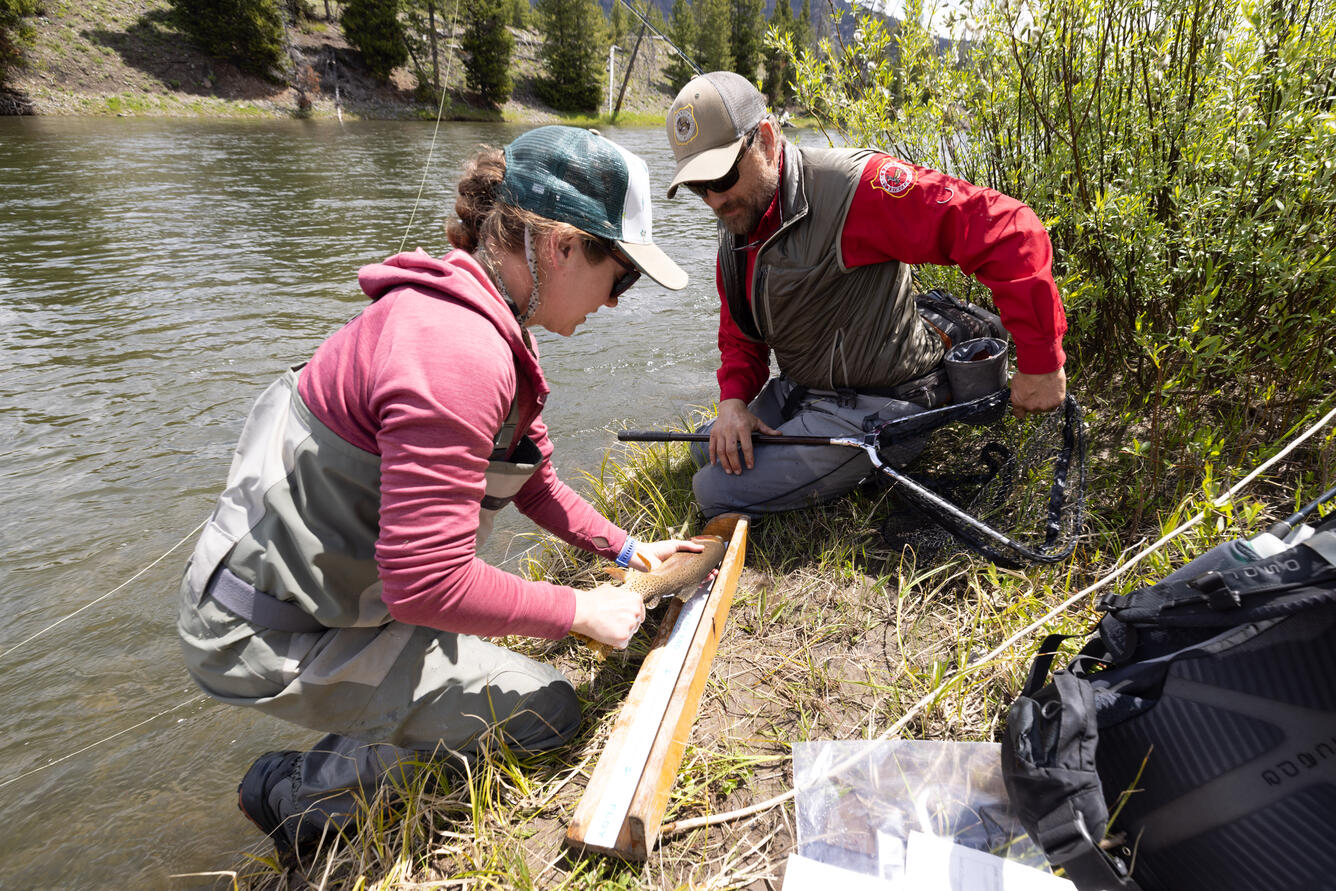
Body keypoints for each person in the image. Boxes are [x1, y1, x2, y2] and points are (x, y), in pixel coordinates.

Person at [176, 126, 695, 861]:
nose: (616, 302)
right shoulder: (457, 351)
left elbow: (530, 477)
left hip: (328, 595)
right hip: (266, 631)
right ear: (563, 246)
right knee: (551, 709)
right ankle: (295, 796)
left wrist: (628, 548)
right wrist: (579, 610)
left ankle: (355, 733)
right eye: (623, 276)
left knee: (485, 657)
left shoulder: (484, 318)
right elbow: (427, 582)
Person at [664, 71, 1069, 518]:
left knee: (714, 489)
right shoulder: (737, 229)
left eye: (720, 177)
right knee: (704, 449)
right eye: (698, 188)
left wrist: (1041, 363)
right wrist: (734, 402)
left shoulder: (856, 189)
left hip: (885, 402)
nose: (714, 202)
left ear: (766, 139)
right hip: (803, 390)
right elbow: (741, 337)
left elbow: (1009, 230)